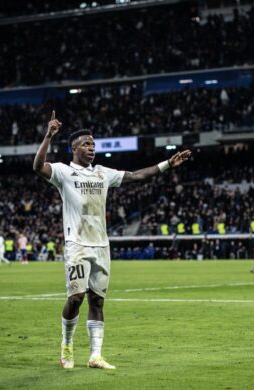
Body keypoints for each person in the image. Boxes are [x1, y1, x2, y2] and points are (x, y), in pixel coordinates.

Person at [33, 111, 191, 370]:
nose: (91, 148)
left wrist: (167, 164)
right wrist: (48, 136)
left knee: (97, 300)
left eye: (94, 144)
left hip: (102, 246)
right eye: (86, 144)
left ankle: (95, 355)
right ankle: (67, 346)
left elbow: (136, 176)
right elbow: (38, 166)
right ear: (74, 148)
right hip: (78, 245)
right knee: (76, 298)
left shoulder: (103, 173)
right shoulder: (63, 172)